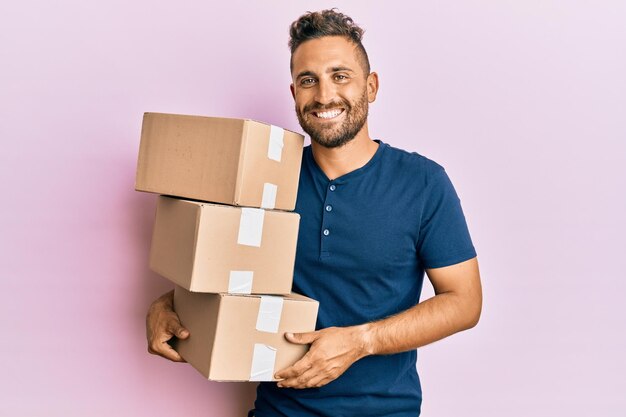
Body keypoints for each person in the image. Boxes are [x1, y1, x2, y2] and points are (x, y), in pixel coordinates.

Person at [146, 9, 482, 417]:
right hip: (278, 409)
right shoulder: (266, 181)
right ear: (294, 94)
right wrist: (167, 306)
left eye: (340, 76)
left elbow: (464, 301)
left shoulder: (424, 182)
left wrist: (362, 341)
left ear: (371, 86)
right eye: (309, 81)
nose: (324, 96)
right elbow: (227, 269)